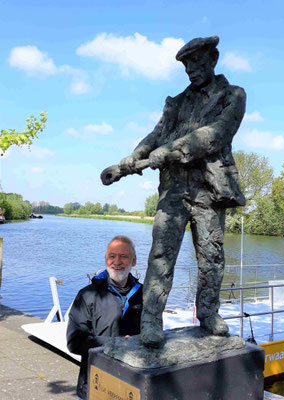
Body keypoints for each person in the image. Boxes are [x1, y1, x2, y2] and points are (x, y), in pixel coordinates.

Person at [101, 36, 246, 348]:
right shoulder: (176, 103)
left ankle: (208, 313)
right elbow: (156, 135)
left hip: (209, 190)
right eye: (187, 66)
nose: (192, 70)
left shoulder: (232, 95)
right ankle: (151, 321)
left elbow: (214, 135)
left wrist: (168, 150)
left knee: (211, 257)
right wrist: (131, 158)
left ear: (213, 60)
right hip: (173, 190)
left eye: (197, 63)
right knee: (161, 256)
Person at [67, 235, 143, 399]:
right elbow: (75, 342)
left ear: (134, 260)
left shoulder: (145, 296)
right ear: (106, 260)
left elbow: (154, 336)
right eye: (112, 256)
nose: (117, 262)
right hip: (95, 385)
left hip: (132, 387)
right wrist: (116, 343)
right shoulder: (88, 295)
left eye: (124, 256)